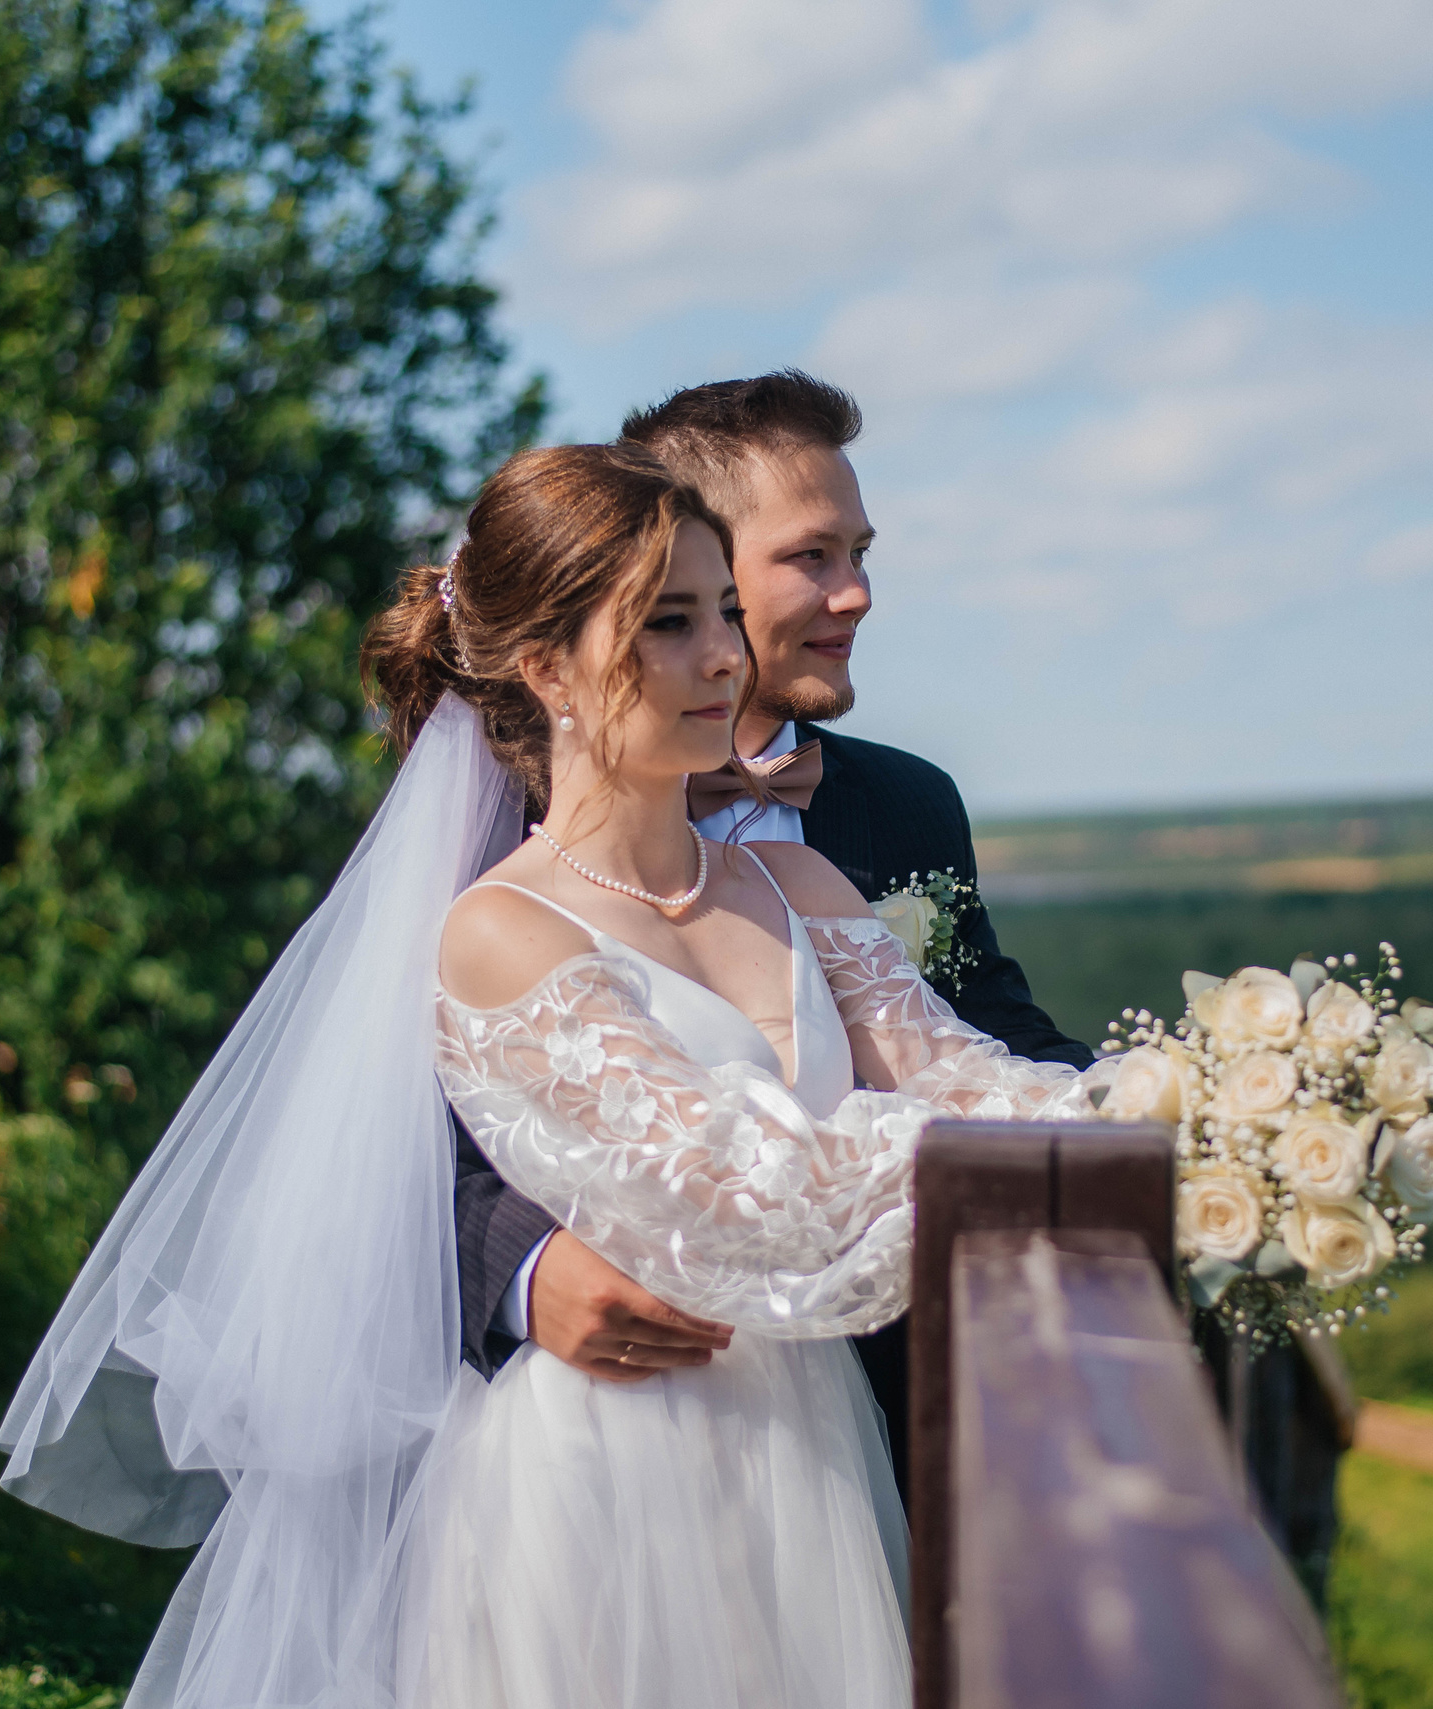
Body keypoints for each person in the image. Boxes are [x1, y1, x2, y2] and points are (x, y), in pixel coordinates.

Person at [0, 440, 1104, 1708]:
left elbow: (974, 1079)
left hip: (813, 1452)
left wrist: (1212, 1094)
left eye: (725, 615)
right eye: (668, 624)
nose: (725, 659)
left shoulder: (803, 885)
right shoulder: (500, 930)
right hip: (612, 1472)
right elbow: (748, 1197)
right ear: (545, 670)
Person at [452, 374, 1090, 1508]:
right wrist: (524, 1271)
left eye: (862, 552)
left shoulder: (892, 813)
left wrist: (1214, 1100)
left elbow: (997, 1051)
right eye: (811, 557)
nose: (855, 595)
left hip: (867, 1428)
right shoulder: (480, 835)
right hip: (615, 1431)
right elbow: (382, 1142)